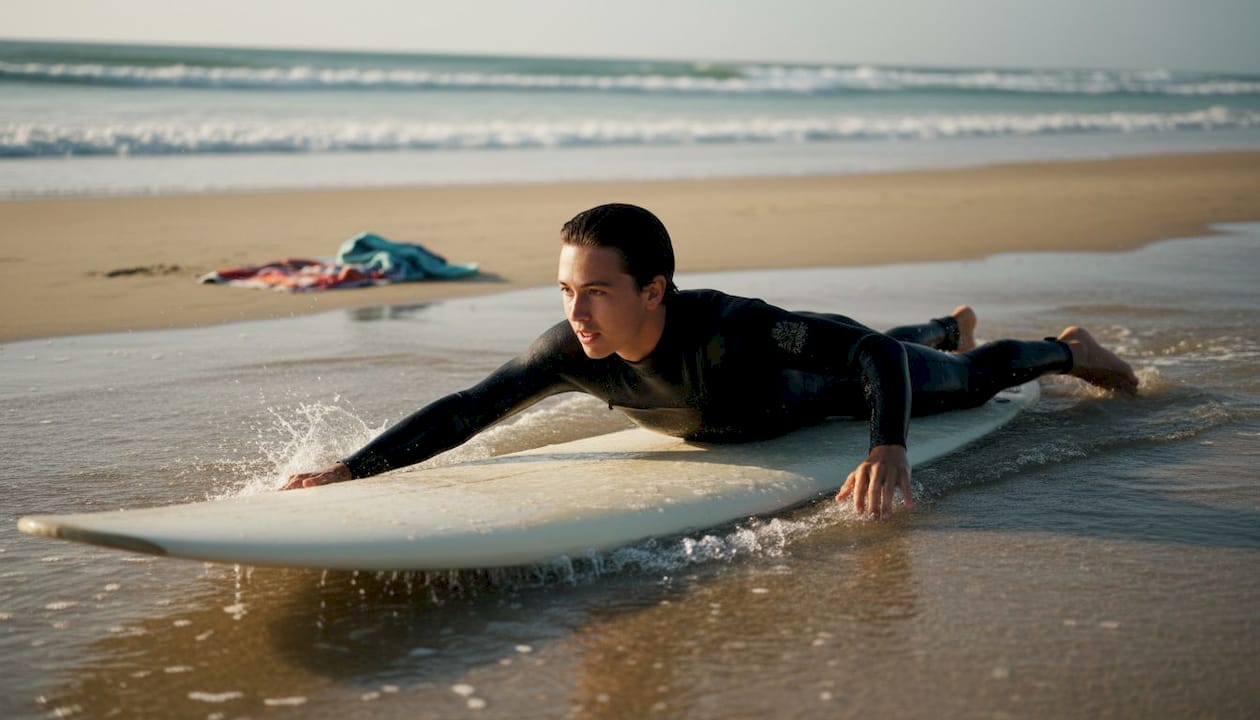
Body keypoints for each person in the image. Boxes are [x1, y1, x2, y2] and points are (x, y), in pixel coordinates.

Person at [284, 203, 1137, 519]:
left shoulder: (732, 327)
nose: (574, 314)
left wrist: (886, 446)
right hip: (768, 402)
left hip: (829, 387)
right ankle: (943, 324)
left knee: (962, 379)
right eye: (564, 292)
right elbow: (469, 408)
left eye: (595, 292)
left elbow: (868, 354)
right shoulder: (570, 350)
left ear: (654, 289)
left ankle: (1064, 349)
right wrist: (351, 472)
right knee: (904, 341)